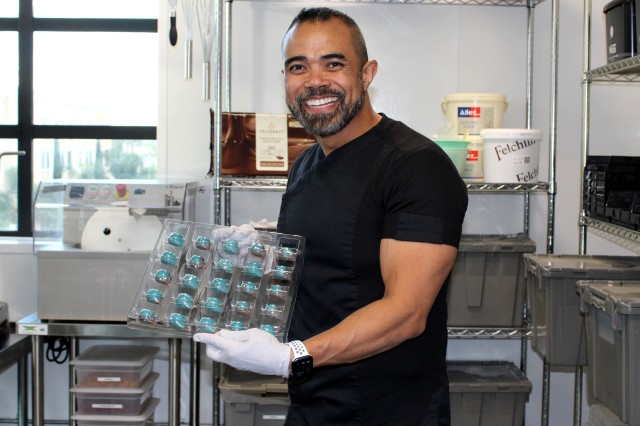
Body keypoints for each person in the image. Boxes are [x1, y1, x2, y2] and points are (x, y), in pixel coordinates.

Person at [194, 7, 468, 425]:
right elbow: (329, 262)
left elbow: (406, 313)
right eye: (297, 66)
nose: (315, 81)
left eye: (333, 63)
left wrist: (291, 357)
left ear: (367, 72)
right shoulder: (306, 164)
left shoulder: (416, 168)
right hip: (312, 401)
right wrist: (265, 253)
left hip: (388, 410)